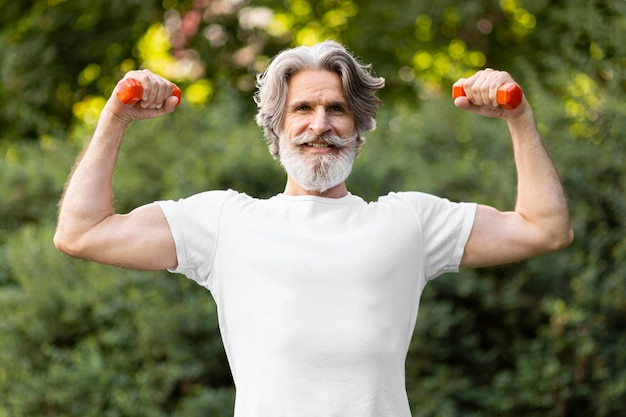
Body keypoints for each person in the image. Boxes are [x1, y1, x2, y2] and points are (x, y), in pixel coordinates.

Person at [54, 41, 573, 416]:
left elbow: (544, 228)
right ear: (277, 130)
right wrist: (115, 118)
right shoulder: (223, 222)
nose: (320, 124)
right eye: (303, 108)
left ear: (359, 130)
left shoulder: (408, 221)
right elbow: (81, 232)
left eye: (337, 109)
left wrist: (519, 117)